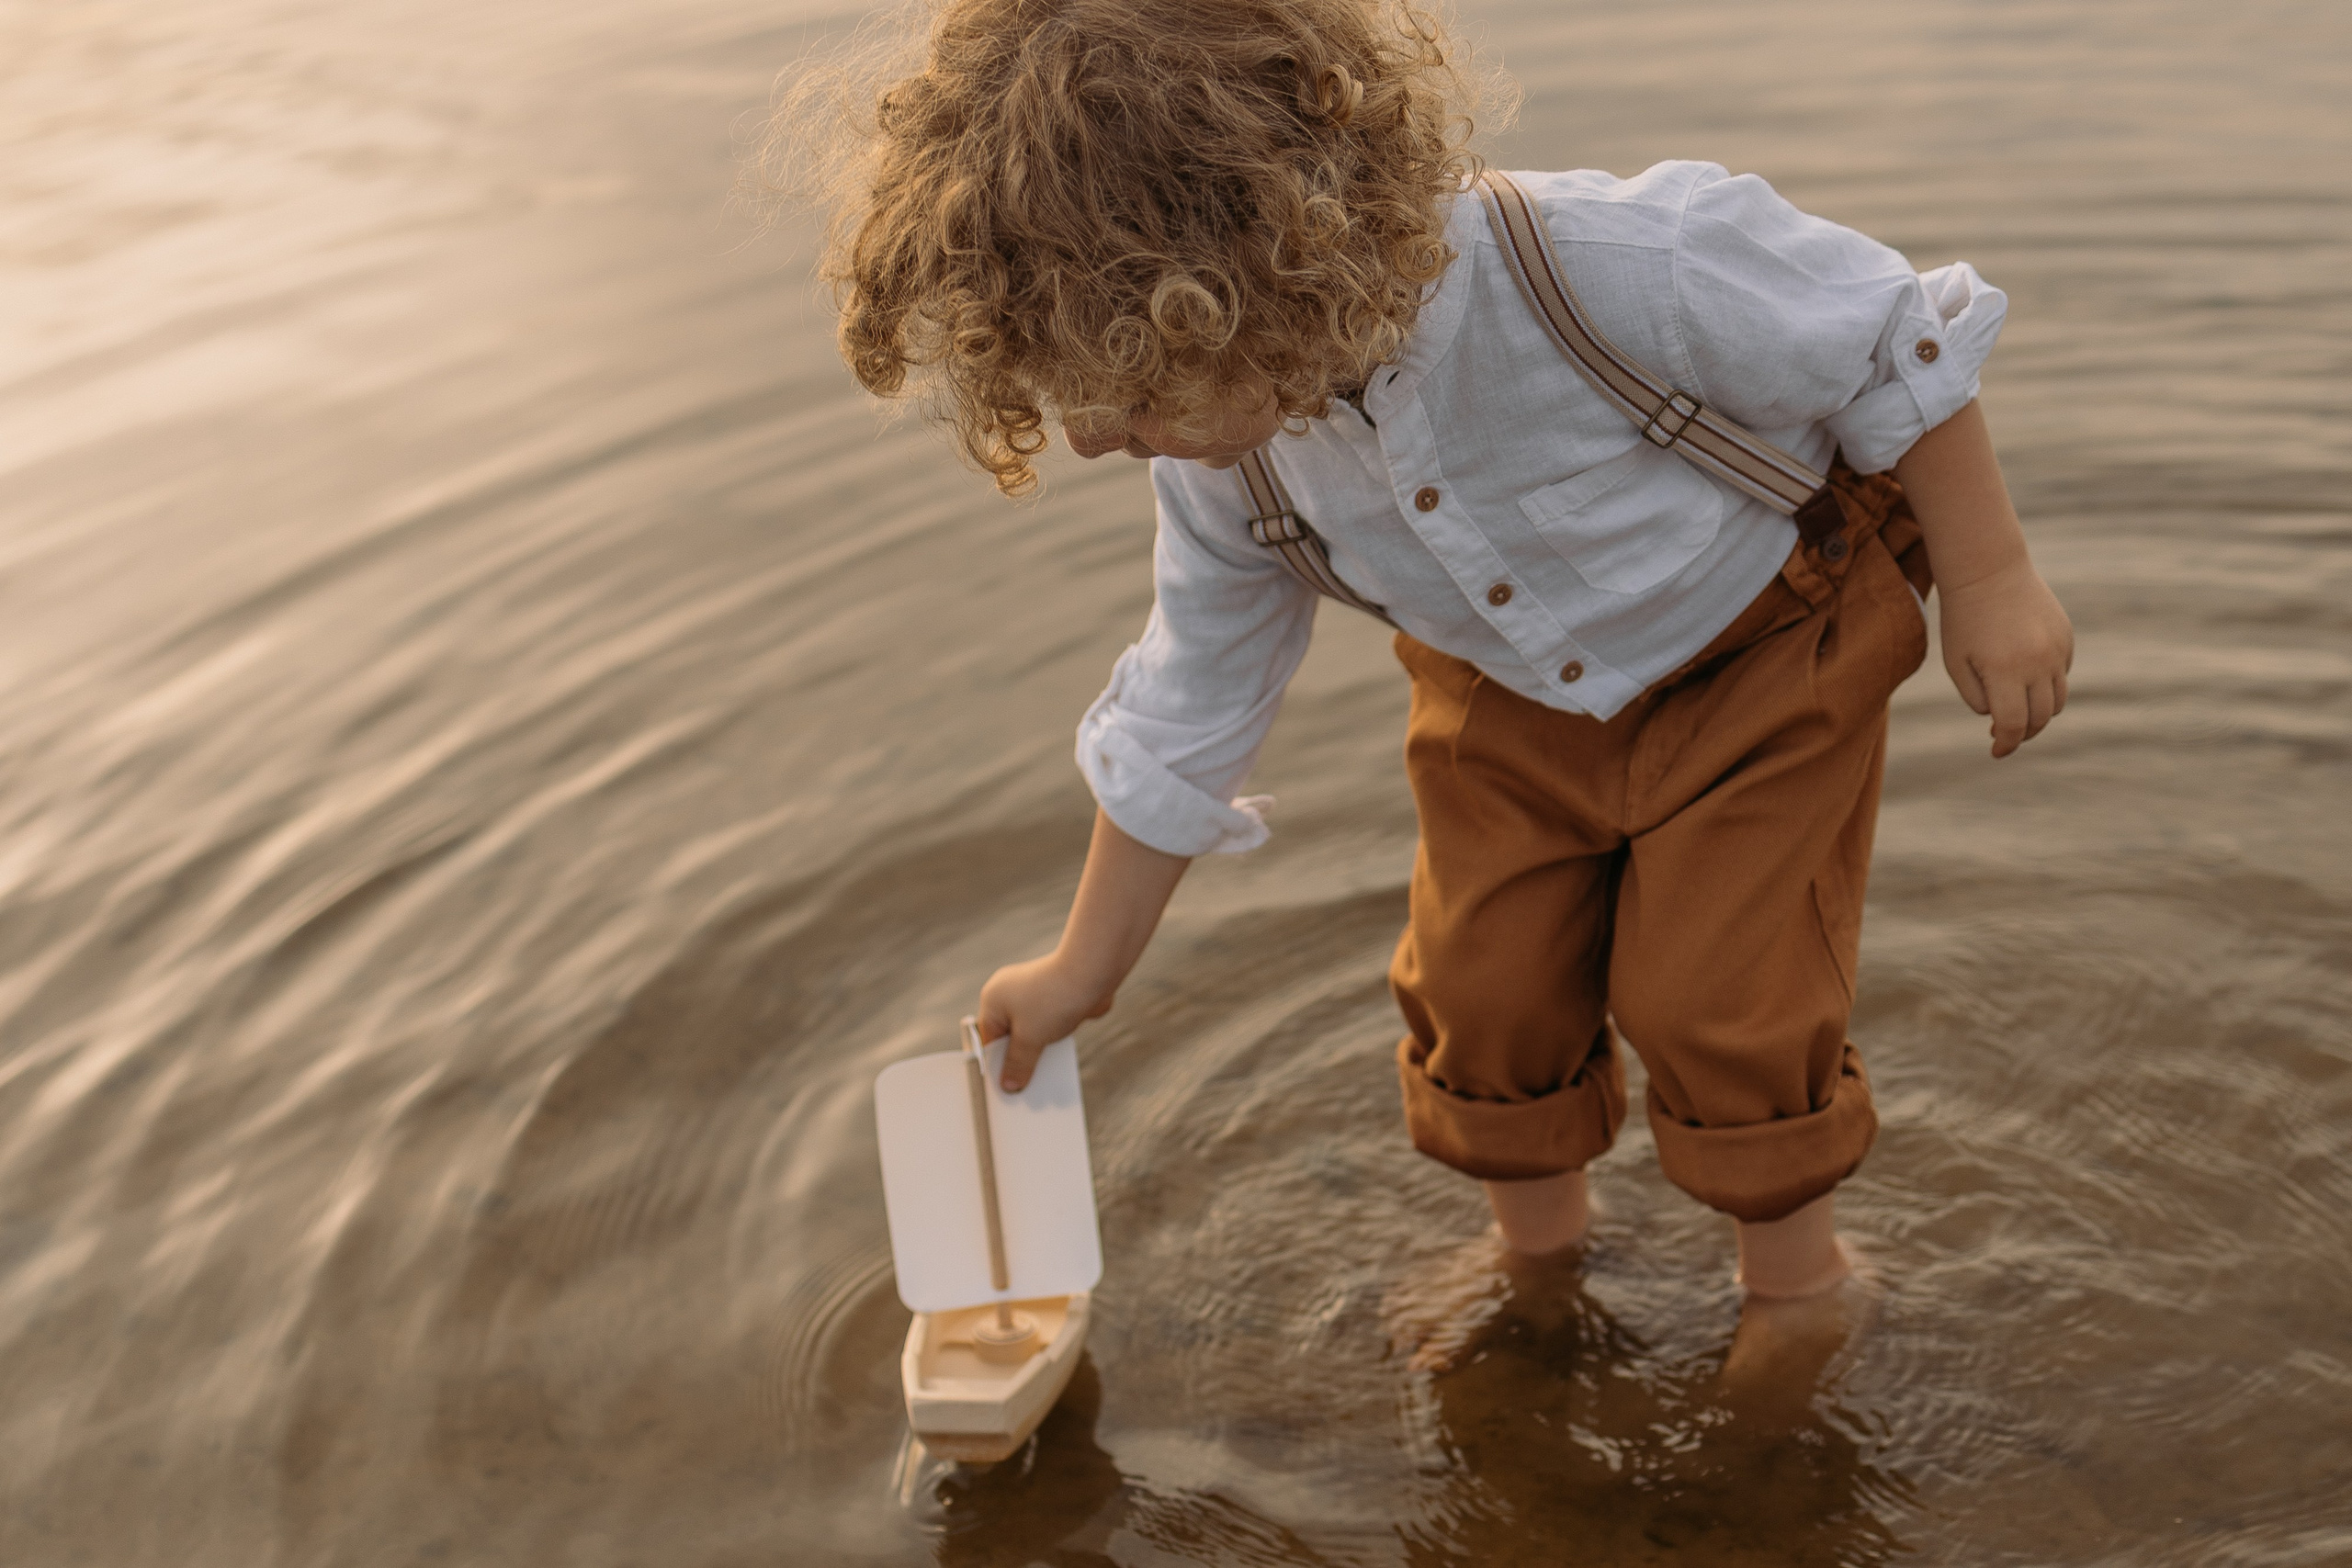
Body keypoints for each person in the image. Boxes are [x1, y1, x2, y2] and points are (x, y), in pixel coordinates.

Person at [806, 0, 2073, 1303]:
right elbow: (1190, 697)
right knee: (1483, 990)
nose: (1094, 442)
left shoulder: (1610, 260)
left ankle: (1802, 1284)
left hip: (1760, 662)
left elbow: (1894, 341)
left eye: (1128, 395)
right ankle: (1537, 1260)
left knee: (1719, 999)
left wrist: (1989, 578)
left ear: (1260, 277)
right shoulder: (1225, 472)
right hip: (1502, 700)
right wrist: (1082, 966)